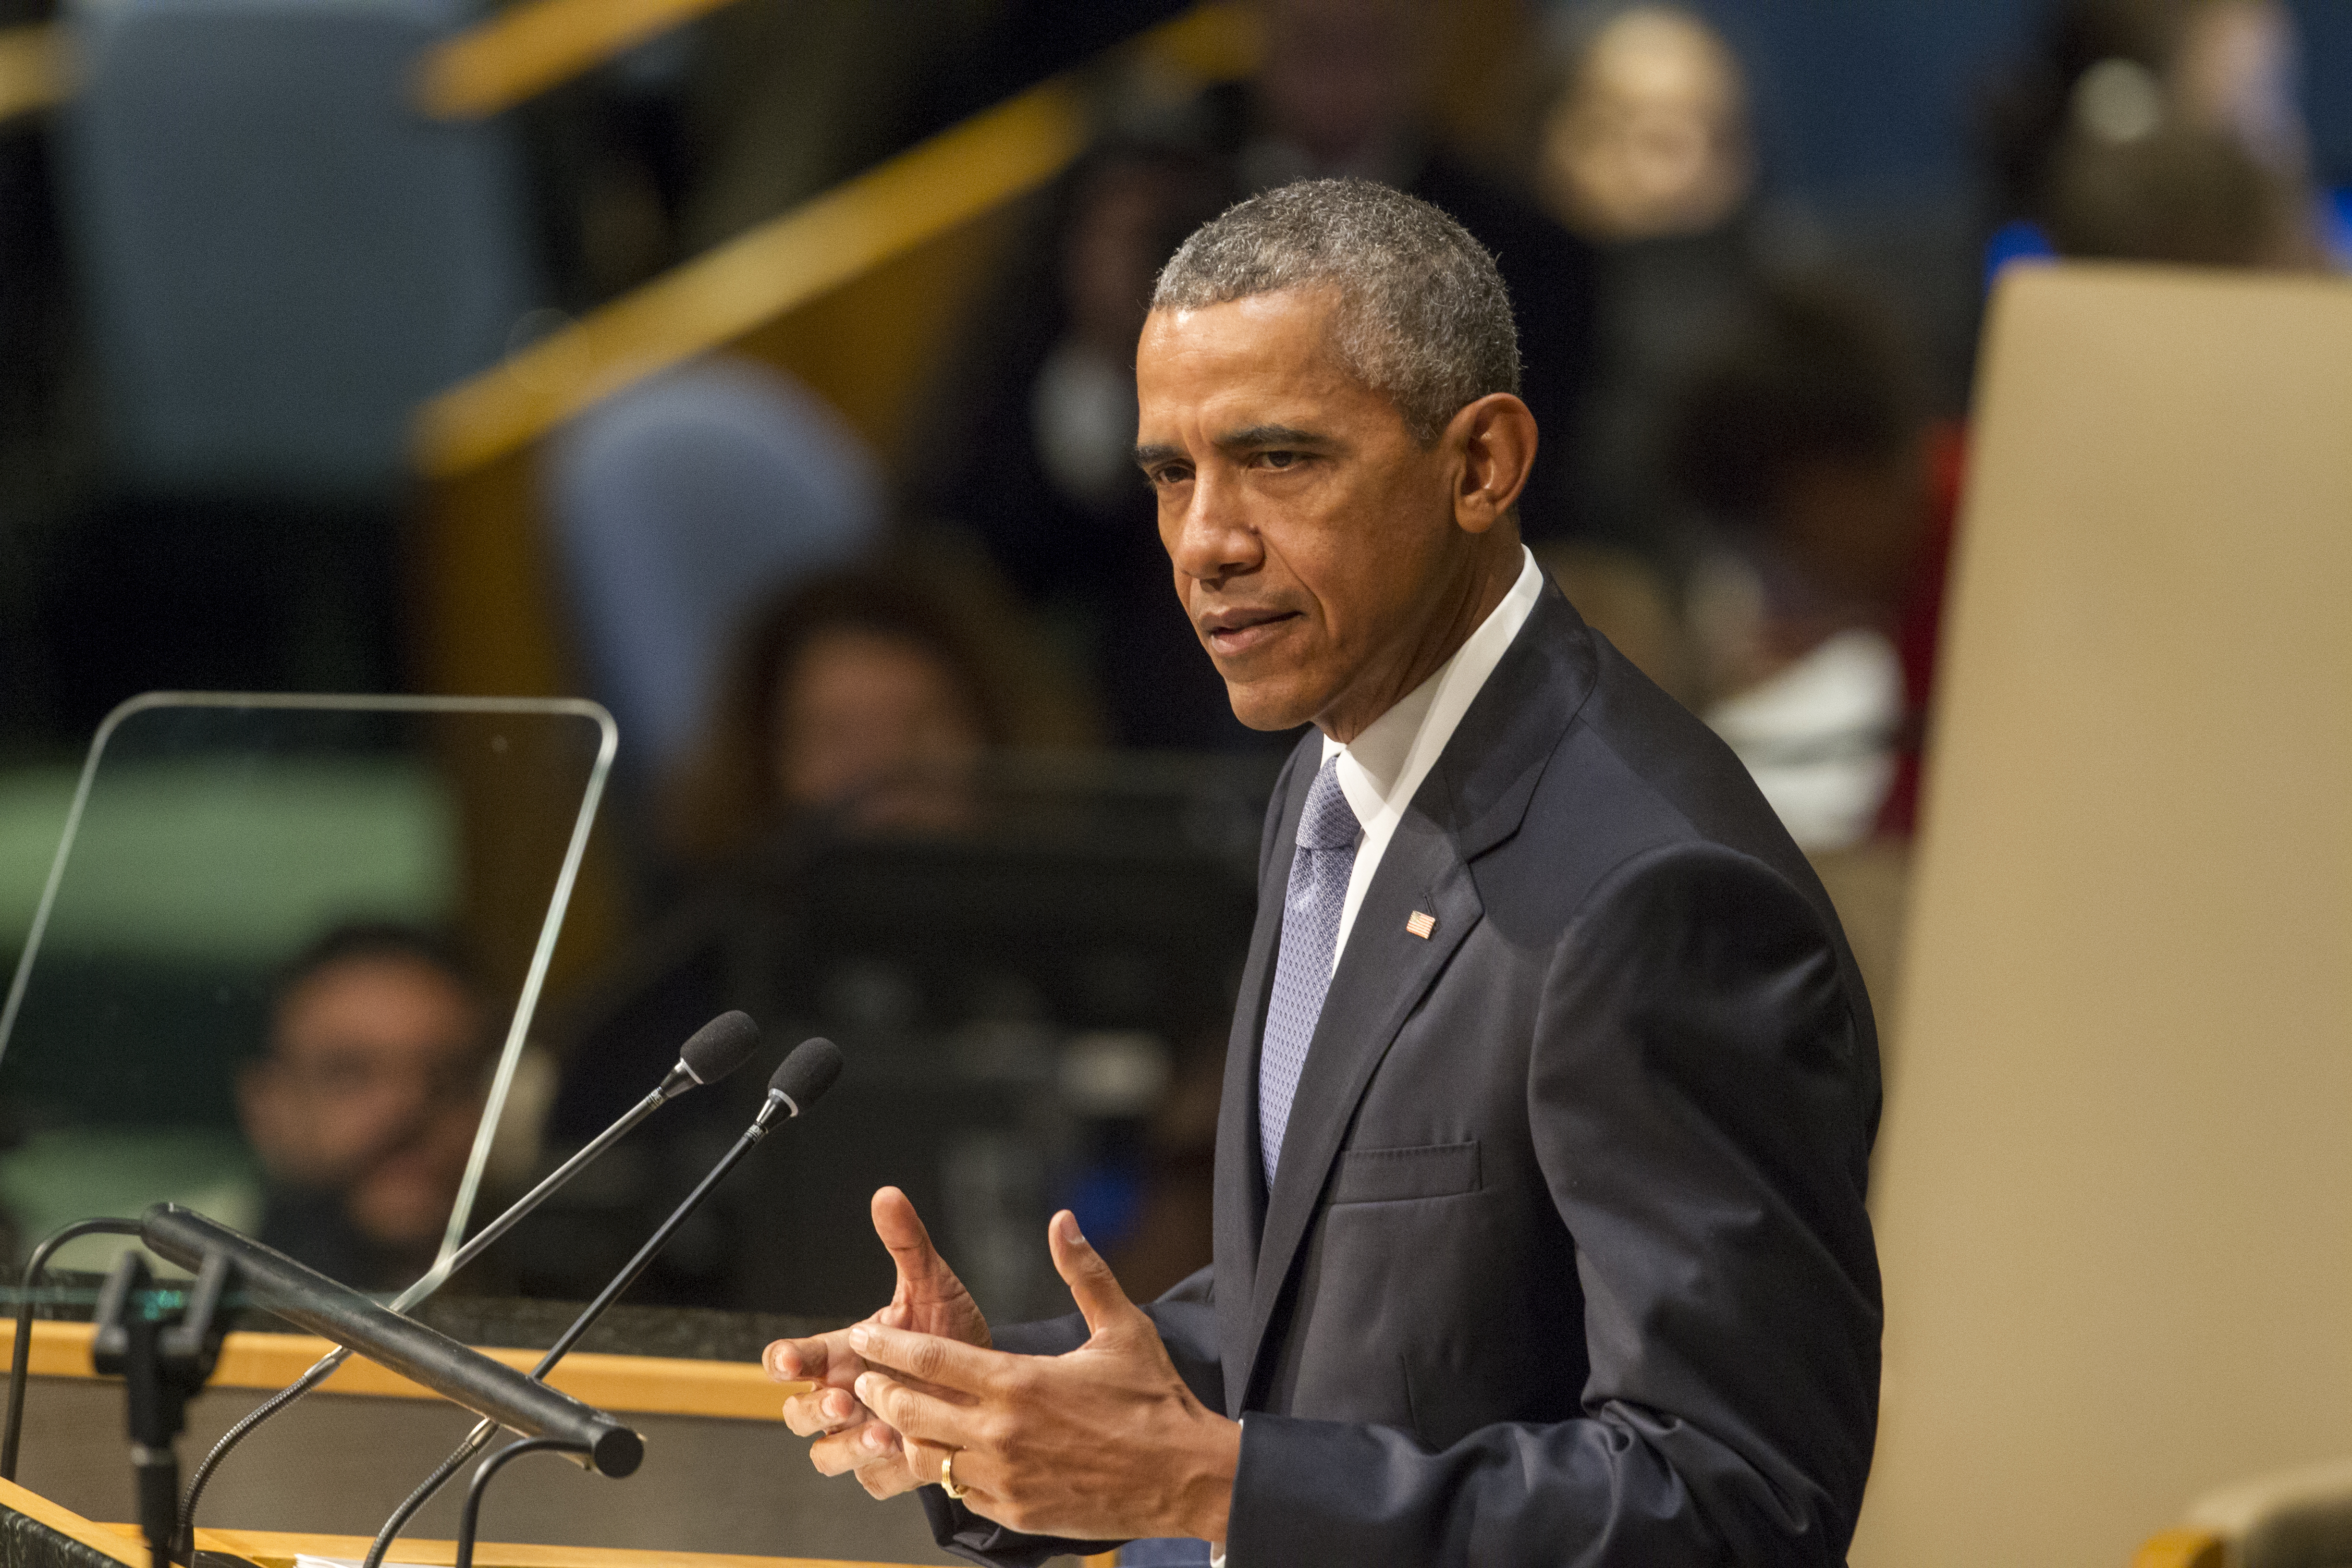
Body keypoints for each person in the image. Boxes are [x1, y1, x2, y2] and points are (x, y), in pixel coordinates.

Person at [765, 179, 1881, 1565]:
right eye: (1171, 474)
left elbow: (1732, 1503)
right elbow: (1354, 1309)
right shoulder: (1339, 762)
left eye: (1279, 460)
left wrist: (1208, 1490)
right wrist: (1021, 1394)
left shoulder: (1657, 896)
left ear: (1481, 465)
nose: (1206, 543)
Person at [236, 923, 492, 1292]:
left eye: (446, 1077)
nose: (405, 1108)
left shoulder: (585, 1314)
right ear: (267, 1106)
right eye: (349, 1073)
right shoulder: (166, 1293)